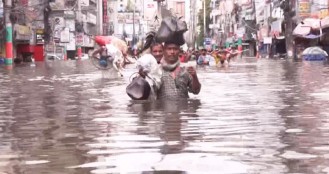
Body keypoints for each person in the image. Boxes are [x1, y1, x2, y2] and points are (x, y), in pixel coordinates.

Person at [157, 35, 201, 100]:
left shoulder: (186, 69)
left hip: (182, 108)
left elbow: (196, 91)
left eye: (175, 49)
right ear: (164, 50)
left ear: (179, 51)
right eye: (169, 49)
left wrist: (194, 77)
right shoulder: (157, 70)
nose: (172, 52)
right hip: (163, 108)